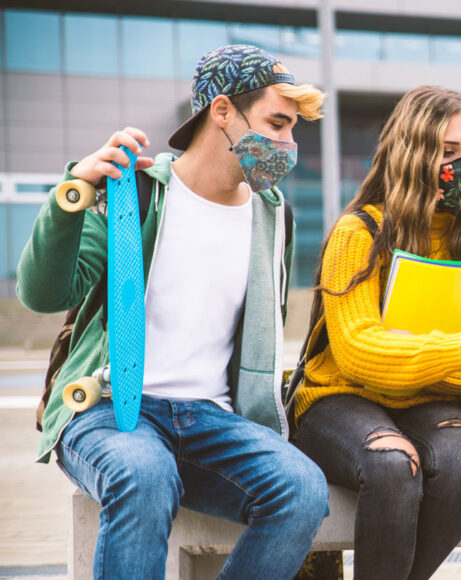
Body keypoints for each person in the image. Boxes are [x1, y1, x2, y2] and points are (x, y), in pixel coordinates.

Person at [17, 45, 330, 578]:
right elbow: (43, 294)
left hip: (211, 418)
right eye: (277, 123)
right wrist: (74, 191)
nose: (288, 144)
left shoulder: (271, 218)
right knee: (144, 474)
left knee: (301, 490)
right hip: (112, 407)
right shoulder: (134, 194)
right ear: (223, 111)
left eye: (293, 130)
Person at [291, 85, 461, 580]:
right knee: (392, 463)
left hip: (428, 400)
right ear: (412, 151)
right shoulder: (358, 234)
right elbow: (357, 352)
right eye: (448, 151)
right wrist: (456, 349)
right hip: (339, 398)